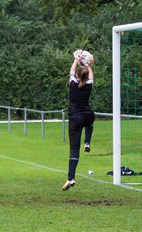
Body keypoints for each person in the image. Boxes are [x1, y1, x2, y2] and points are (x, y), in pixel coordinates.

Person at [62, 49, 95, 191]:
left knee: (74, 150)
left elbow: (72, 70)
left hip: (75, 119)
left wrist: (76, 58)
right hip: (88, 115)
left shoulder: (73, 84)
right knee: (90, 121)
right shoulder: (89, 85)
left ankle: (71, 178)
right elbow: (90, 75)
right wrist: (88, 64)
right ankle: (87, 142)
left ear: (76, 76)